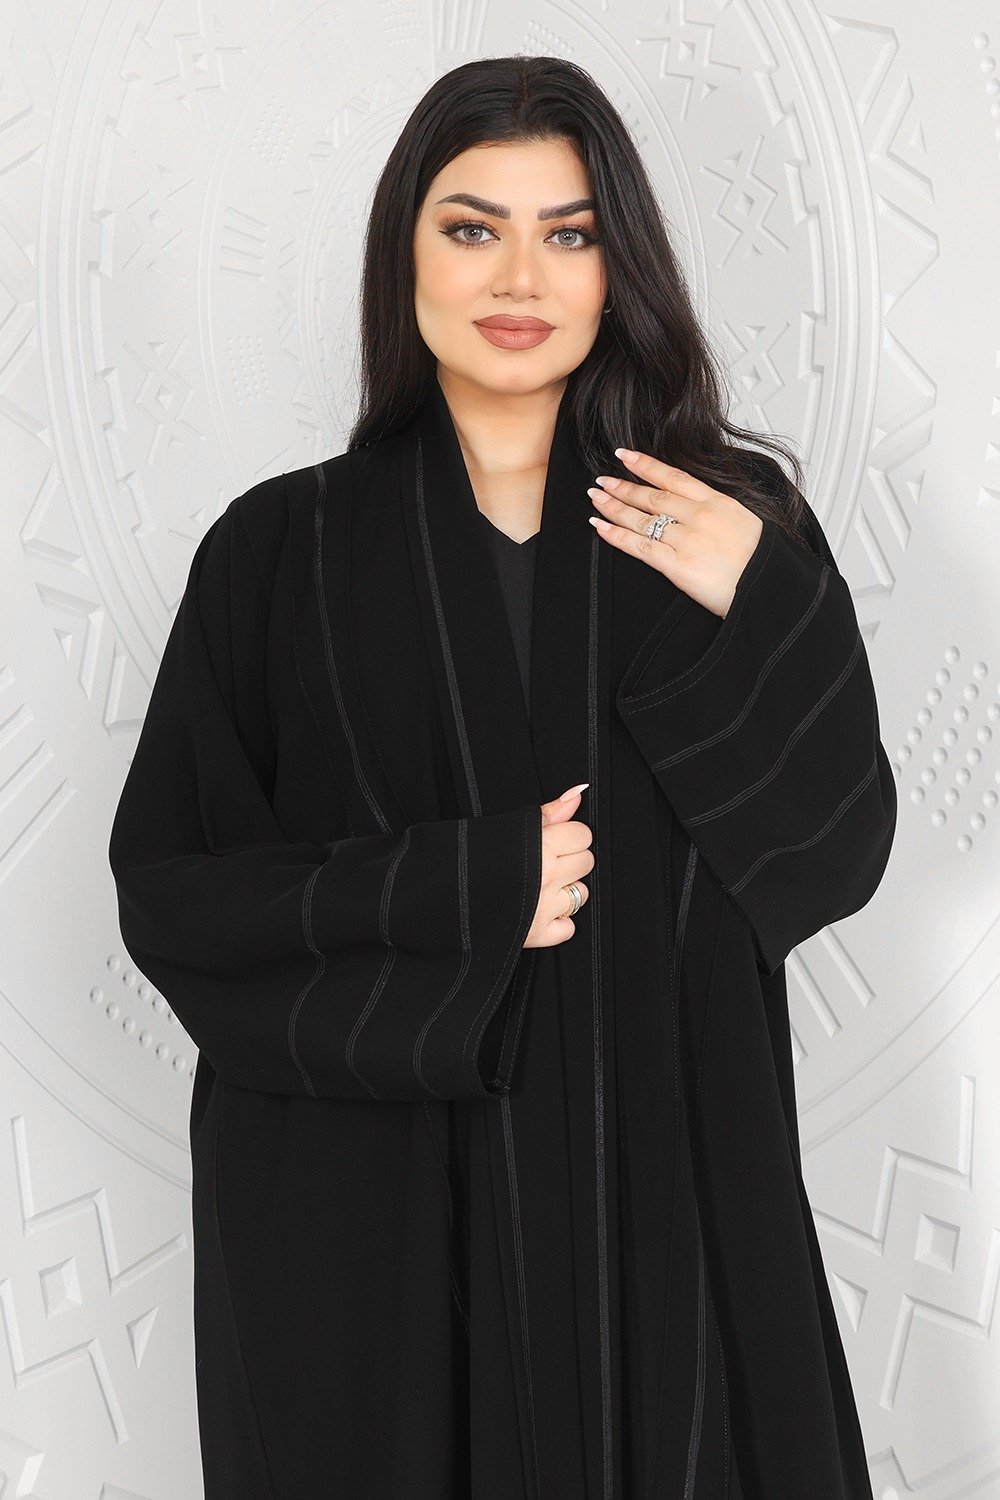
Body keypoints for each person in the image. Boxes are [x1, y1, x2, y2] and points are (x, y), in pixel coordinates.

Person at [108, 54, 897, 1499]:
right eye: (472, 227)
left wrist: (769, 602)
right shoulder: (279, 556)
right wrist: (464, 887)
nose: (519, 276)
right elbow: (176, 899)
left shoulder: (725, 532)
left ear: (617, 266)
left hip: (671, 1213)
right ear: (403, 254)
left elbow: (836, 853)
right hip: (375, 1245)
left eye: (568, 232)